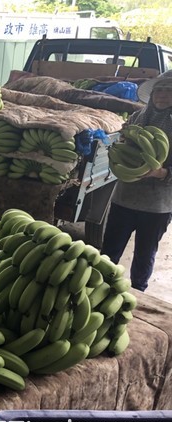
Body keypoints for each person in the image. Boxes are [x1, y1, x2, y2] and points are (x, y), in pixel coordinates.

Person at [101, 71, 172, 292]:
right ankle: (100, 287)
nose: (161, 95)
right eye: (158, 90)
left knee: (144, 256)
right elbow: (121, 148)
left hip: (156, 206)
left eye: (168, 91)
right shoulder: (136, 118)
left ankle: (137, 294)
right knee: (109, 252)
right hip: (124, 198)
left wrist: (160, 173)